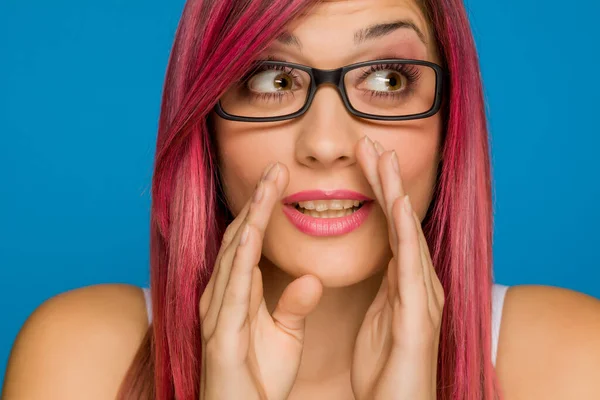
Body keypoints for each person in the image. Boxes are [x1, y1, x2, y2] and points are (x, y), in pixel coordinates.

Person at [3, 0, 600, 399]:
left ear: (450, 117)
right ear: (206, 119)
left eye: (389, 79)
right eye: (272, 79)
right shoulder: (81, 361)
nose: (325, 143)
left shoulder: (573, 362)